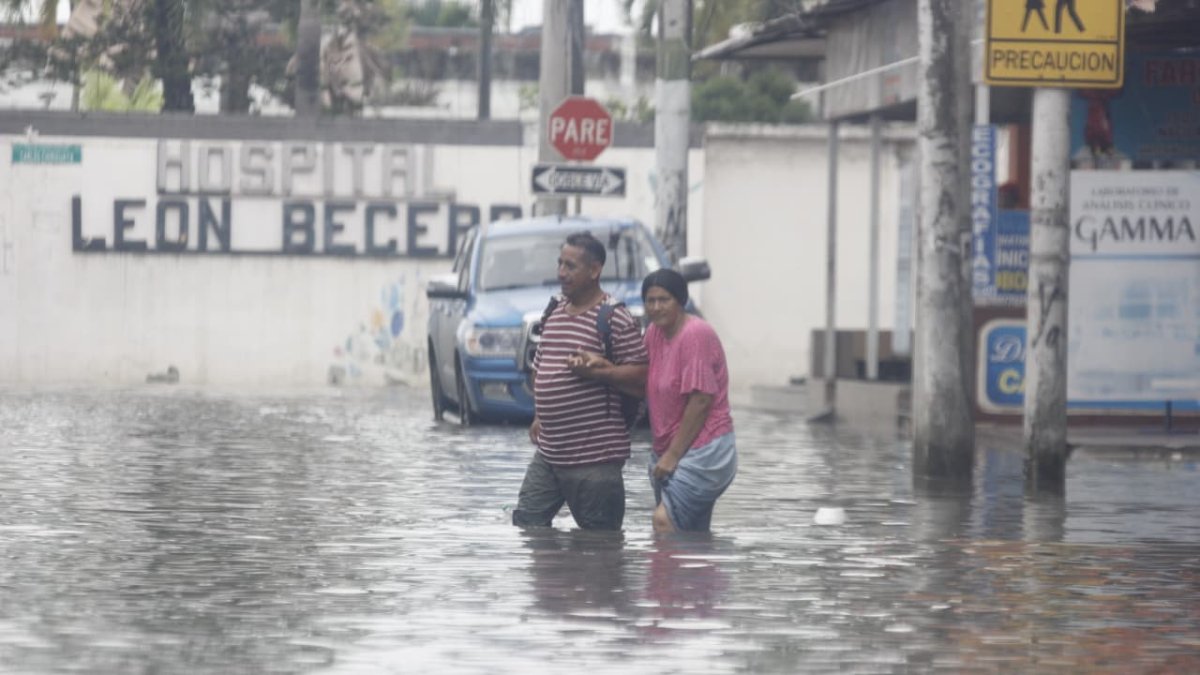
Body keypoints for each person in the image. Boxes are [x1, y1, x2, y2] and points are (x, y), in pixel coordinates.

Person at [570, 269, 737, 534]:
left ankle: (662, 576)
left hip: (704, 448)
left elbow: (701, 400)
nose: (656, 307)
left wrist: (672, 456)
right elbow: (640, 381)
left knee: (663, 521)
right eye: (650, 301)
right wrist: (600, 368)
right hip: (670, 448)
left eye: (664, 300)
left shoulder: (695, 334)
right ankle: (694, 576)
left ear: (680, 301)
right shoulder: (654, 334)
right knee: (690, 532)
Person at [511, 231, 648, 531]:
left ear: (595, 270)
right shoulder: (554, 312)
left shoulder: (614, 318)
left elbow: (642, 378)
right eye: (560, 264)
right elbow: (542, 367)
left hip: (595, 460)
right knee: (527, 524)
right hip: (550, 452)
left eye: (570, 266)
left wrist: (599, 372)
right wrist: (540, 415)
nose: (561, 273)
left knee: (601, 548)